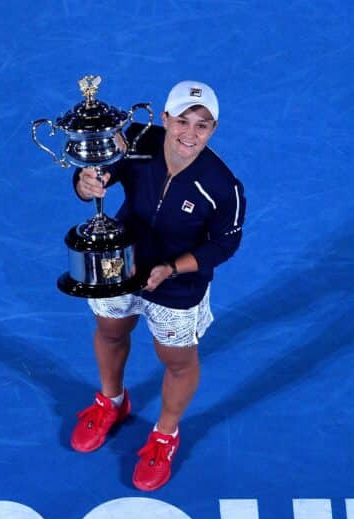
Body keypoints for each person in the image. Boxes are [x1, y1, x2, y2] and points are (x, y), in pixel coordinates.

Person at [70, 80, 246, 491]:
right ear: (164, 118)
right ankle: (112, 401)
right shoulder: (136, 140)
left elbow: (224, 245)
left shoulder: (224, 187)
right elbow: (99, 172)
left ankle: (165, 433)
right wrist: (86, 184)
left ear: (214, 129)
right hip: (121, 263)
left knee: (177, 360)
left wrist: (171, 268)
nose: (190, 133)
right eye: (182, 120)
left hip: (177, 285)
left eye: (202, 125)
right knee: (111, 331)